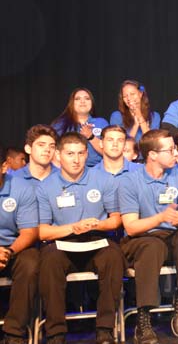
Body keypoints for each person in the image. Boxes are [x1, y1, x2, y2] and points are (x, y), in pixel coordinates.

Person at [37, 132, 124, 344]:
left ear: (87, 154)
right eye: (70, 154)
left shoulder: (104, 180)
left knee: (114, 257)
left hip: (97, 238)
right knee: (48, 261)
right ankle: (56, 333)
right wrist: (73, 228)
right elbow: (42, 232)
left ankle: (105, 329)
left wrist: (96, 224)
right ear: (58, 155)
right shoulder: (45, 186)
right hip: (62, 240)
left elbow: (115, 221)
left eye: (81, 153)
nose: (76, 160)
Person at [118, 129, 178, 343]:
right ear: (152, 154)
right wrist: (161, 217)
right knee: (151, 247)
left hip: (171, 235)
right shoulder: (130, 181)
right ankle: (143, 318)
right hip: (141, 238)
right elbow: (131, 227)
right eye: (170, 149)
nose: (176, 153)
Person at [0, 148, 40, 344]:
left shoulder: (21, 188)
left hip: (14, 247)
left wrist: (7, 252)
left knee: (31, 263)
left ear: (4, 167)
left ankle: (14, 333)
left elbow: (29, 232)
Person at [51, 88, 108, 167]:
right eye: (78, 99)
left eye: (87, 98)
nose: (82, 101)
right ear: (72, 103)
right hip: (69, 170)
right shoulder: (60, 124)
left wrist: (91, 136)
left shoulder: (101, 122)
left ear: (92, 103)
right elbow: (52, 152)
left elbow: (110, 153)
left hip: (97, 170)